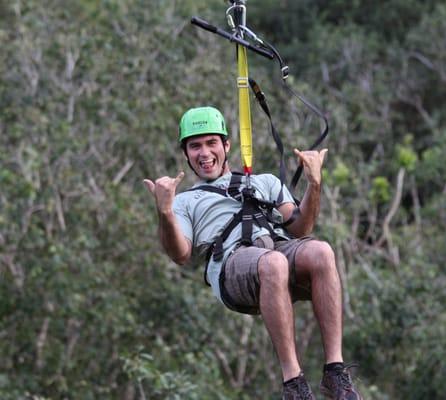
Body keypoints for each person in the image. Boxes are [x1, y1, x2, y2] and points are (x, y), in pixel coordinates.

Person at [143, 106, 362, 400]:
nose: (204, 153)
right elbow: (180, 254)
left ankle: (335, 372)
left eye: (211, 143)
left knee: (321, 251)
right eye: (195, 146)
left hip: (276, 250)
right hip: (232, 266)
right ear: (186, 154)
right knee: (273, 263)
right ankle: (293, 383)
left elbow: (300, 228)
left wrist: (314, 184)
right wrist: (165, 211)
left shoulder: (265, 182)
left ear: (226, 146)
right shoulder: (184, 200)